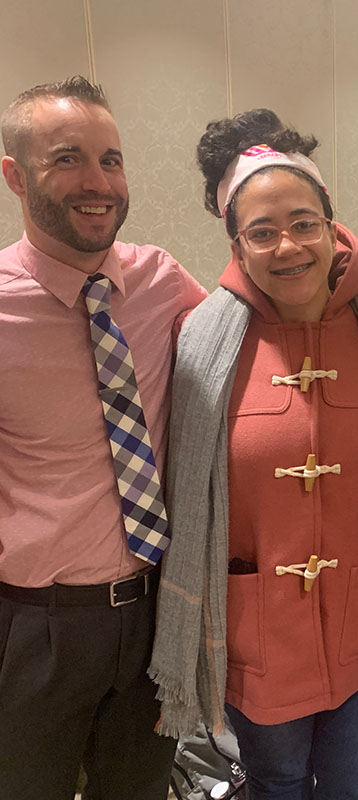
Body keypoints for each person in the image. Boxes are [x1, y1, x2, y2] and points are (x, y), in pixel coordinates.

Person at [148, 109, 358, 800]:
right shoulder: (200, 347)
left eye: (303, 222)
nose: (287, 245)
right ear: (236, 244)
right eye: (261, 232)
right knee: (276, 783)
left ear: (331, 225)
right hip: (257, 633)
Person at [0, 76, 207, 800]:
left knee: (141, 791)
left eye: (111, 160)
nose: (98, 183)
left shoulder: (162, 280)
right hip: (37, 625)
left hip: (157, 613)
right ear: (14, 177)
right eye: (68, 159)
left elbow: (259, 342)